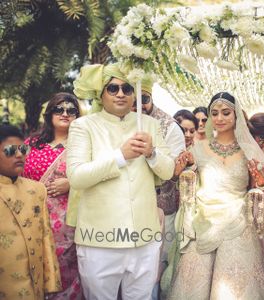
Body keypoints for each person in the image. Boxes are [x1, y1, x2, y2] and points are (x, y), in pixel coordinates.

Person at [162, 92, 264, 299]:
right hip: (203, 223)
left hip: (237, 223)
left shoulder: (250, 150)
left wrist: (262, 183)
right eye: (215, 113)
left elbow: (259, 191)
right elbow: (185, 185)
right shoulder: (198, 148)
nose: (219, 118)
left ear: (236, 115)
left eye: (226, 113)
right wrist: (182, 172)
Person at [67, 63, 175, 299]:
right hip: (99, 241)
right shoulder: (83, 126)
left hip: (144, 239)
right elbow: (76, 176)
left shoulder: (149, 125)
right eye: (113, 88)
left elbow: (168, 172)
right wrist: (119, 157)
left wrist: (152, 153)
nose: (120, 94)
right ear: (101, 93)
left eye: (127, 89)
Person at [22, 93, 83, 299]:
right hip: (33, 217)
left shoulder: (82, 146)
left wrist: (71, 183)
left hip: (70, 221)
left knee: (66, 267)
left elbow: (96, 177)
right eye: (59, 109)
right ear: (49, 114)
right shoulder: (32, 143)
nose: (65, 113)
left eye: (71, 110)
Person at [132, 76, 186, 299]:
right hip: (127, 208)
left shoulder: (169, 126)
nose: (138, 106)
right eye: (133, 100)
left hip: (162, 209)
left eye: (143, 99)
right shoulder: (119, 122)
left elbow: (174, 169)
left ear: (151, 97)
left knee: (154, 266)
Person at [0, 125, 62, 299]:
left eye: (23, 149)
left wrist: (51, 283)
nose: (19, 155)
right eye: (11, 150)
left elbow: (46, 239)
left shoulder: (36, 190)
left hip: (35, 286)